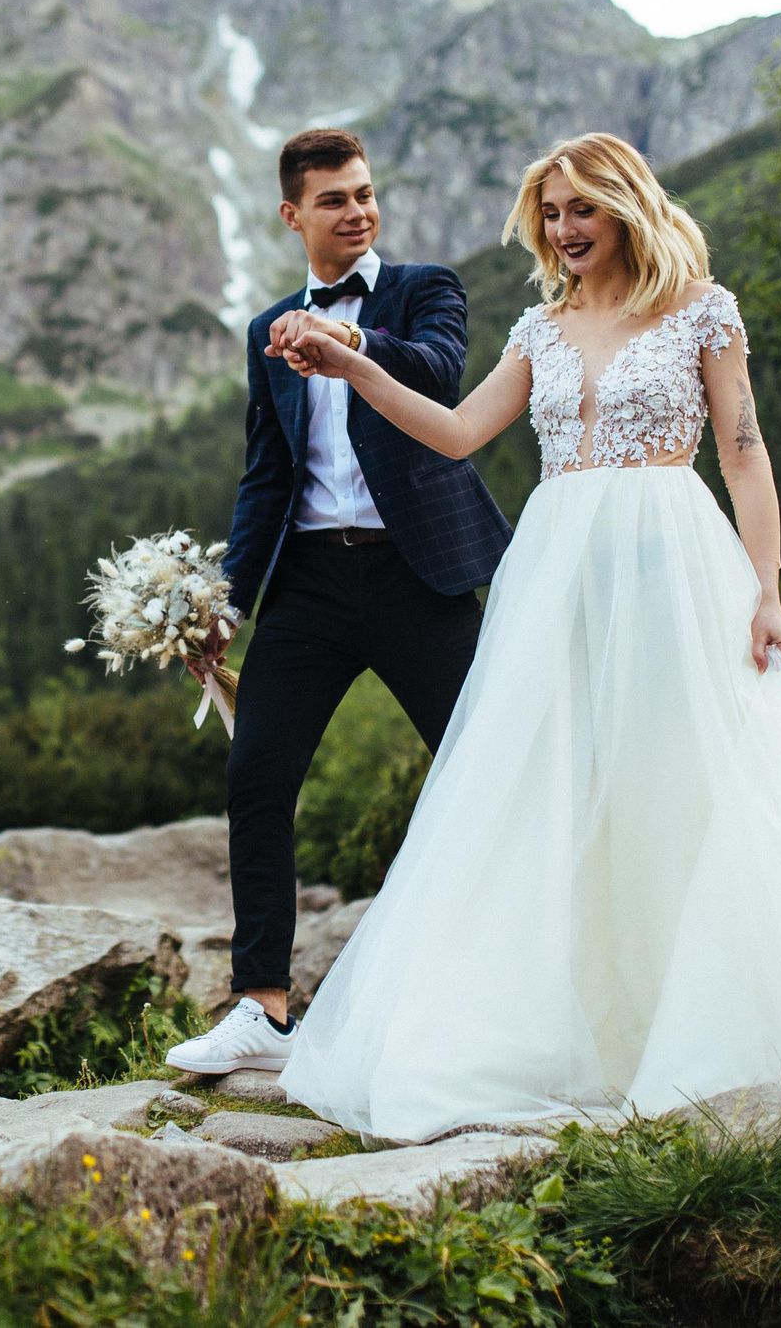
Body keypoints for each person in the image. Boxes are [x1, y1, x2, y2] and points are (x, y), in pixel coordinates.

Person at [263, 132, 781, 1138]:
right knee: (554, 785)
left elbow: (743, 453)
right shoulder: (541, 326)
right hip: (558, 569)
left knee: (694, 779)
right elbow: (458, 429)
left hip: (673, 557)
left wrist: (766, 589)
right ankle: (580, 1030)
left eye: (581, 212)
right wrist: (347, 365)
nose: (564, 232)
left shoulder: (702, 310)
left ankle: (718, 1028)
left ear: (625, 208)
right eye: (550, 215)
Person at [163, 129, 512, 1077]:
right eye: (334, 200)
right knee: (257, 778)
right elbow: (265, 476)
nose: (357, 211)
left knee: (486, 771)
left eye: (365, 194)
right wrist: (222, 603)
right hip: (310, 581)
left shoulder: (426, 287)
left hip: (420, 571)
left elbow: (439, 370)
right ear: (292, 215)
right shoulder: (264, 331)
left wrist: (348, 338)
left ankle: (508, 991)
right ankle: (262, 1011)